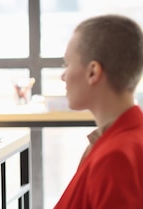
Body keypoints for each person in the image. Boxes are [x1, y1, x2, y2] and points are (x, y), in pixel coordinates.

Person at [54, 14, 143, 208]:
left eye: (67, 64)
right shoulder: (122, 141)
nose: (63, 76)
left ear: (93, 72)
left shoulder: (116, 159)